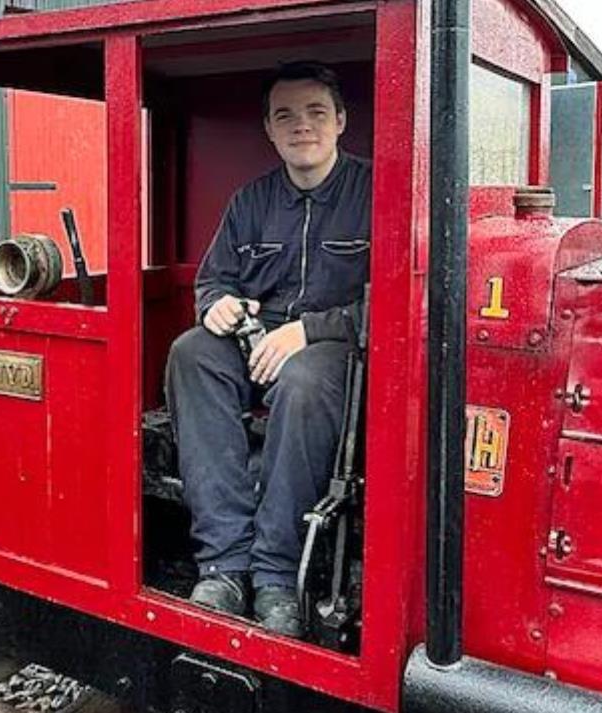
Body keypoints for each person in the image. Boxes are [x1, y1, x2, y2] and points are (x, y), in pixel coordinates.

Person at [164, 62, 371, 638]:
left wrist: (310, 330)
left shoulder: (376, 193)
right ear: (270, 130)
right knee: (191, 352)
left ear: (341, 122)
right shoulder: (249, 202)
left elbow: (397, 301)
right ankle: (224, 565)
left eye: (315, 113)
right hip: (255, 347)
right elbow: (212, 280)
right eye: (286, 116)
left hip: (336, 353)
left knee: (304, 378)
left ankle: (276, 573)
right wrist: (216, 307)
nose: (301, 126)